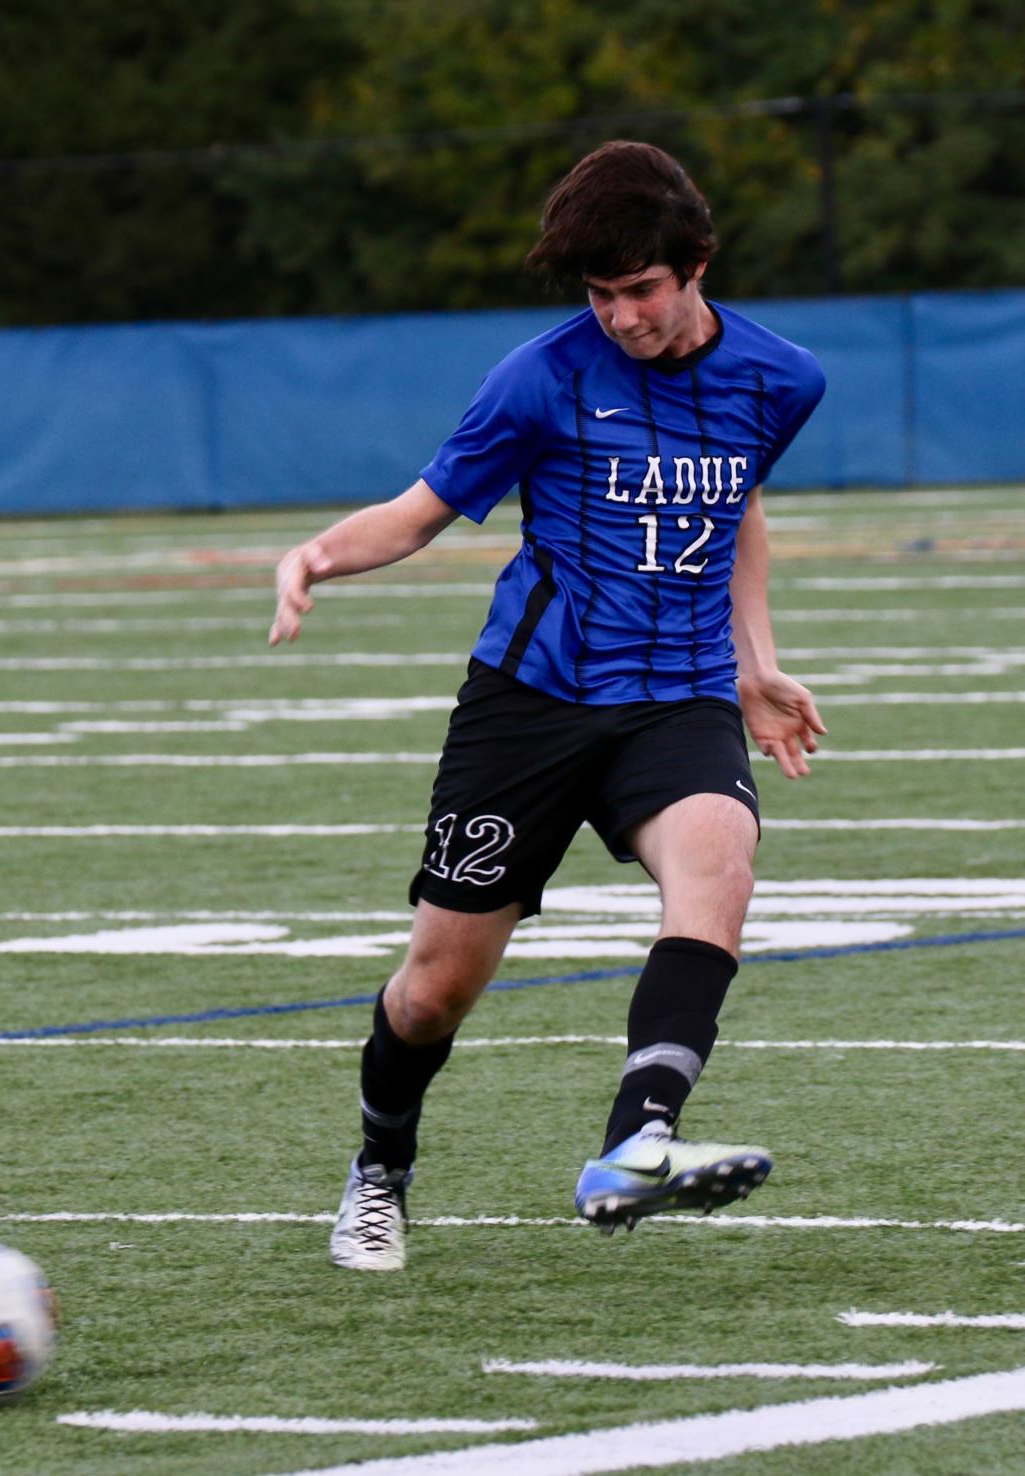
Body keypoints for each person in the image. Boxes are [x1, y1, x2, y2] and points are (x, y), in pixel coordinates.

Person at [269, 140, 827, 1271]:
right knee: (432, 992)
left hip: (677, 699)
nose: (619, 316)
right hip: (533, 703)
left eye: (640, 290)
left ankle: (636, 1145)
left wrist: (754, 664)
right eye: (599, 294)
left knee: (718, 868)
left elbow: (739, 511)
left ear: (696, 264)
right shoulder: (540, 377)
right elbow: (421, 510)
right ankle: (380, 1166)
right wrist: (317, 556)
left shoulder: (782, 378)